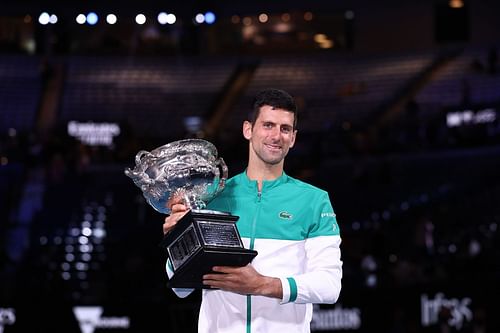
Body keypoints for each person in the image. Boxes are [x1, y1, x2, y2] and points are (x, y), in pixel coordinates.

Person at [163, 88, 342, 333]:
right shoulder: (211, 196)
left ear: (293, 138)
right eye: (268, 125)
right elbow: (181, 289)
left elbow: (329, 286)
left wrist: (261, 285)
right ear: (248, 129)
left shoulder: (314, 201)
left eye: (285, 128)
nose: (276, 136)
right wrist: (178, 241)